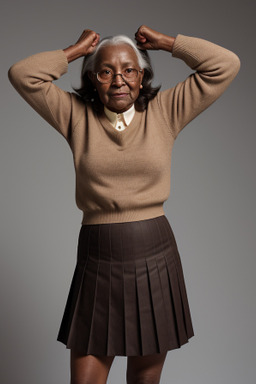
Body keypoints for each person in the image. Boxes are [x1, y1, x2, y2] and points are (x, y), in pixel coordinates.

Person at [8, 25, 240, 384]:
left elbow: (225, 64)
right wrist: (74, 51)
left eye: (129, 70)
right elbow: (22, 75)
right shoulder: (75, 116)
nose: (119, 80)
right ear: (93, 79)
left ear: (142, 75)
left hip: (155, 256)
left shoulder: (165, 112)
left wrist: (167, 43)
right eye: (106, 71)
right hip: (97, 257)